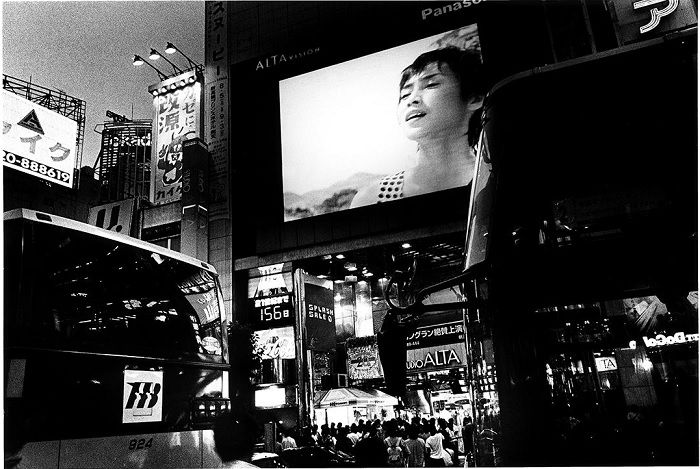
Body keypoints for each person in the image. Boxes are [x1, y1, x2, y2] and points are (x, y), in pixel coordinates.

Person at [350, 46, 485, 209]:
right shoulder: (372, 198)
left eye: (431, 84)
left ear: (474, 99)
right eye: (405, 95)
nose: (411, 100)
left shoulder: (495, 180)